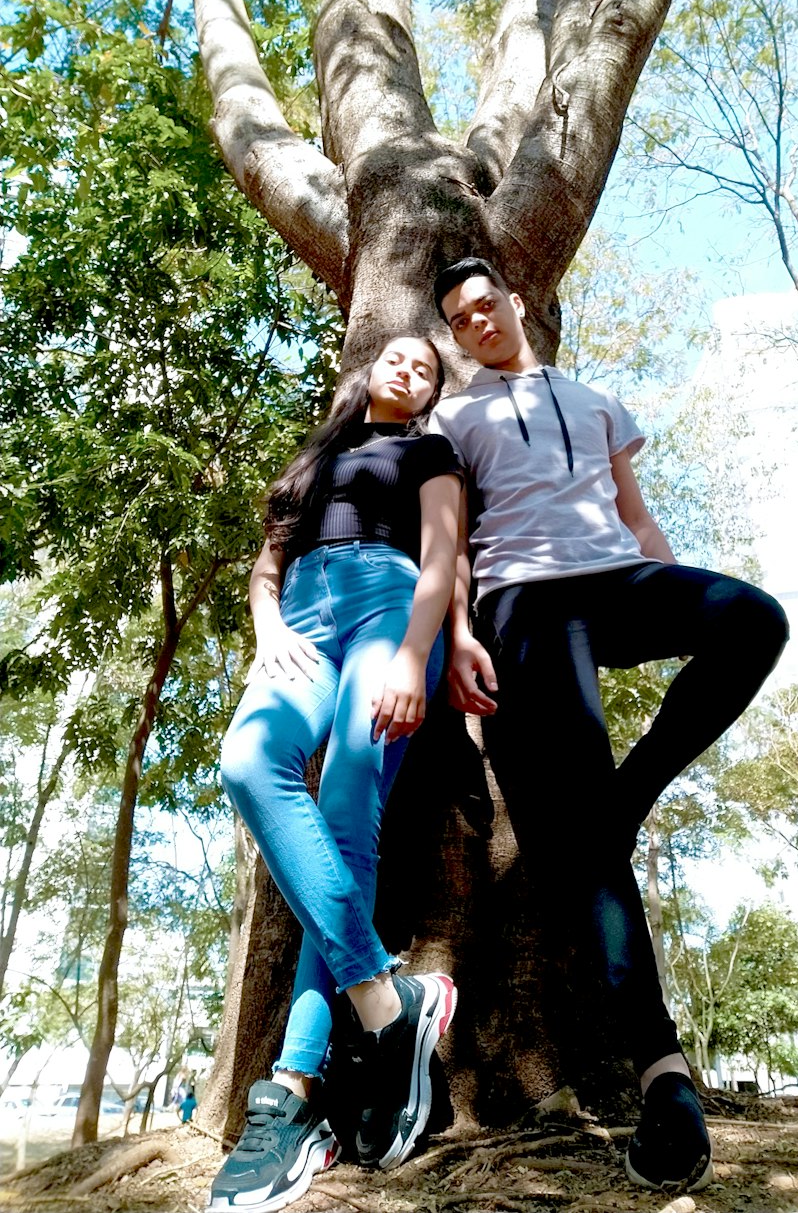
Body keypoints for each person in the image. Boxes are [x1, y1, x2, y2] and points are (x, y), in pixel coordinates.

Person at [430, 258, 789, 1196]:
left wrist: (680, 601)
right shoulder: (456, 419)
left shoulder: (595, 400)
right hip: (524, 606)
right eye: (460, 321)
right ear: (457, 335)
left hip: (616, 582)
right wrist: (463, 637)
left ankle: (629, 797)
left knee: (755, 619)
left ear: (516, 302)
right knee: (592, 853)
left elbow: (636, 515)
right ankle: (665, 1080)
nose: (478, 324)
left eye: (485, 306)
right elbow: (454, 543)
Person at [208, 337, 462, 1213]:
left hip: (389, 602)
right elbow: (267, 561)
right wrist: (266, 623)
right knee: (248, 760)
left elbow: (440, 557)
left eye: (425, 369)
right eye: (397, 359)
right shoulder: (318, 457)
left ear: (430, 395)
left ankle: (293, 1090)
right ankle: (390, 1008)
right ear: (368, 371)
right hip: (303, 619)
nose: (407, 370)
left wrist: (415, 655)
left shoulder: (429, 451)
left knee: (348, 802)